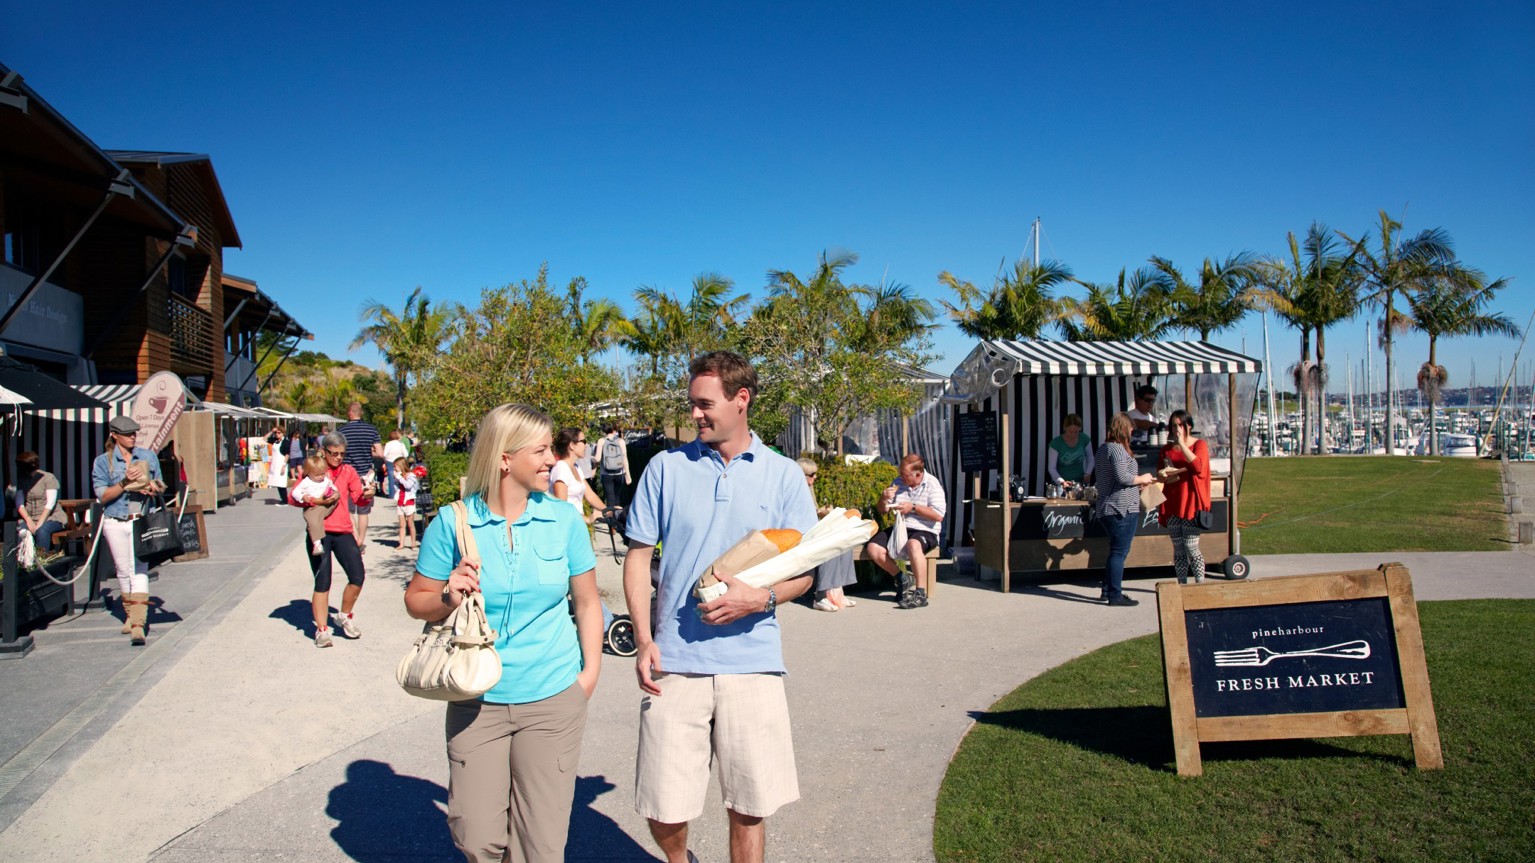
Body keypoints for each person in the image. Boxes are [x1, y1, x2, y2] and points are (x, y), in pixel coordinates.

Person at [622, 351, 817, 863]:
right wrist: (643, 639)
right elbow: (638, 558)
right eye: (692, 403)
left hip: (752, 662)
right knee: (663, 806)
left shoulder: (784, 476)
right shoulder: (665, 469)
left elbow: (806, 572)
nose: (694, 414)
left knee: (749, 807)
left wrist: (761, 598)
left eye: (704, 404)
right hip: (674, 662)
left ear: (741, 399)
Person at [404, 403, 601, 863]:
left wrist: (588, 676)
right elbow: (416, 600)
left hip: (553, 696)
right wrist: (448, 597)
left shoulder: (563, 520)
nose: (552, 459)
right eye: (541, 450)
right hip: (476, 698)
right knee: (477, 837)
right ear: (505, 458)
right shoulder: (452, 523)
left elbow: (588, 602)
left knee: (541, 846)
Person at [290, 431, 374, 647]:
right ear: (324, 451)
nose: (338, 457)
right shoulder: (315, 468)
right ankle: (322, 630)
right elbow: (293, 497)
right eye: (334, 453)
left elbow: (358, 498)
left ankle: (344, 616)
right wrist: (313, 500)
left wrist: (367, 495)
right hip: (320, 532)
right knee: (323, 581)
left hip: (343, 530)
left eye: (342, 454)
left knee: (357, 576)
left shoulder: (348, 471)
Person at [91, 416, 165, 646]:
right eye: (127, 434)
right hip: (115, 520)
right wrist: (125, 483)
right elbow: (103, 496)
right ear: (114, 435)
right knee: (123, 570)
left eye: (134, 433)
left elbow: (161, 484)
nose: (133, 437)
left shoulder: (147, 456)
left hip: (140, 520)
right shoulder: (103, 462)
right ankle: (130, 614)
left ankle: (138, 625)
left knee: (139, 569)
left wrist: (152, 487)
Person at [864, 454, 946, 610]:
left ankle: (920, 593)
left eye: (905, 474)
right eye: (900, 473)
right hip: (901, 527)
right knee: (873, 548)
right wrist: (883, 498)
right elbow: (882, 510)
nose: (901, 477)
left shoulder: (932, 485)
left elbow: (938, 515)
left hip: (925, 529)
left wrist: (913, 507)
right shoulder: (898, 482)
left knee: (913, 544)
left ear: (918, 474)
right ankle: (902, 578)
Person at [1094, 412, 1156, 606]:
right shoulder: (1117, 449)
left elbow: (1115, 478)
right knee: (1119, 552)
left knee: (1116, 551)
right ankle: (1115, 595)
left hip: (1108, 506)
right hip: (1121, 508)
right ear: (1122, 428)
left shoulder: (1103, 448)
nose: (1131, 432)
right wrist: (1143, 478)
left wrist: (1137, 484)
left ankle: (1108, 590)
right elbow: (1123, 477)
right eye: (1129, 428)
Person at [1158, 409, 1212, 585]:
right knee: (1178, 547)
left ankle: (1200, 583)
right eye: (1174, 426)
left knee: (1191, 545)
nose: (1177, 429)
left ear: (1189, 426)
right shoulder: (1166, 449)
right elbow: (1160, 475)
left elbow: (1198, 467)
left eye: (1180, 425)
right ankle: (1182, 584)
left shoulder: (1199, 445)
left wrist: (1182, 444)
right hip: (1172, 501)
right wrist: (1162, 474)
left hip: (1190, 502)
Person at [797, 457, 858, 612]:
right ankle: (821, 595)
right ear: (801, 475)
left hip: (811, 532)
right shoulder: (794, 491)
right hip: (798, 535)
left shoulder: (808, 490)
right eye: (812, 474)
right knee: (829, 546)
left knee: (845, 541)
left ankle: (837, 592)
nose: (815, 477)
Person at [337, 402, 383, 553]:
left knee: (349, 510)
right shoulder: (371, 430)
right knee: (363, 511)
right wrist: (369, 452)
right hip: (366, 475)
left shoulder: (342, 431)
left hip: (347, 474)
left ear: (349, 413)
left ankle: (355, 538)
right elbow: (380, 453)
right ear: (361, 413)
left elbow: (338, 452)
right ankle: (361, 540)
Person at [550, 427, 607, 522]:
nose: (586, 445)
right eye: (583, 441)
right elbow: (561, 508)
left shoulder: (576, 467)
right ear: (572, 445)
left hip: (576, 524)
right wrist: (587, 519)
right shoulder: (561, 469)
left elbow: (590, 495)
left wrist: (608, 511)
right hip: (567, 526)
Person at [15, 451, 66, 556]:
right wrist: (29, 521)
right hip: (30, 517)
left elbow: (50, 503)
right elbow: (19, 503)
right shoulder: (22, 480)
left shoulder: (48, 478)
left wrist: (38, 524)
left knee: (42, 531)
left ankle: (41, 559)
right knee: (22, 531)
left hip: (51, 517)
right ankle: (23, 560)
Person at [292, 453, 339, 556]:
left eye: (323, 473)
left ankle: (317, 541)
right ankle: (317, 543)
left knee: (336, 496)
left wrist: (334, 494)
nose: (321, 477)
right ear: (308, 473)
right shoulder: (306, 482)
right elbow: (295, 493)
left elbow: (333, 488)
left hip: (327, 504)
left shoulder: (326, 480)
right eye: (317, 475)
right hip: (313, 507)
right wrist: (303, 497)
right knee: (313, 522)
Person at [595, 426, 631, 508]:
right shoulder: (621, 441)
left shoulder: (601, 441)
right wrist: (628, 476)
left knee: (610, 497)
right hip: (619, 473)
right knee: (617, 496)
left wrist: (591, 458)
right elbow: (625, 459)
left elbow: (597, 459)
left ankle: (610, 514)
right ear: (614, 430)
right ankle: (618, 514)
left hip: (606, 474)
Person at [393, 456, 419, 551]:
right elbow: (396, 487)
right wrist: (396, 479)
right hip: (400, 502)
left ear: (401, 466)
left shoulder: (411, 475)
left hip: (409, 502)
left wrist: (399, 477)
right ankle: (401, 544)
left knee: (410, 524)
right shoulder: (399, 477)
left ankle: (413, 544)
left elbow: (408, 485)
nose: (394, 469)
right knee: (402, 525)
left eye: (395, 466)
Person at [382, 429, 410, 497]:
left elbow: (384, 454)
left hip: (390, 462)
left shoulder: (388, 444)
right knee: (400, 477)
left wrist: (386, 460)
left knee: (391, 477)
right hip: (399, 462)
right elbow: (406, 454)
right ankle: (400, 493)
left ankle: (392, 494)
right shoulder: (401, 444)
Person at [268, 426, 290, 504]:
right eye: (276, 433)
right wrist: (271, 431)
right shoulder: (275, 440)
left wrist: (283, 466)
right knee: (277, 482)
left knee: (281, 483)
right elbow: (264, 439)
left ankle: (285, 500)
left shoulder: (286, 442)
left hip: (281, 464)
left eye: (279, 433)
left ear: (283, 433)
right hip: (275, 464)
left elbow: (287, 455)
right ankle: (283, 499)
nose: (277, 434)